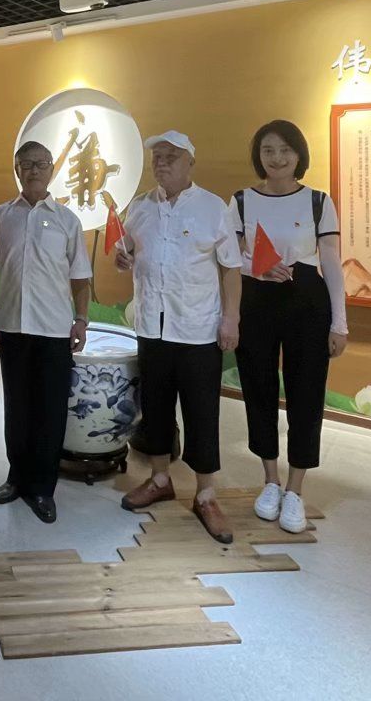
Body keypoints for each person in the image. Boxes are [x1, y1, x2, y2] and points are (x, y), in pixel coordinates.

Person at [114, 130, 242, 543]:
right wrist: (122, 257)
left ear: (190, 162)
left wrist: (231, 318)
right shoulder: (140, 207)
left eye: (170, 156)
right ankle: (159, 479)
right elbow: (126, 251)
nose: (161, 163)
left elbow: (231, 268)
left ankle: (206, 494)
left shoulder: (213, 208)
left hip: (197, 327)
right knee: (155, 407)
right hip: (152, 325)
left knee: (202, 411)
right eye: (157, 157)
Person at [228, 119, 349, 535]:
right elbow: (230, 257)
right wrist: (258, 269)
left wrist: (340, 322)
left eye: (285, 150)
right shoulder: (241, 200)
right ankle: (270, 480)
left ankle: (296, 488)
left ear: (299, 154)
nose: (276, 158)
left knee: (306, 393)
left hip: (307, 300)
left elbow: (331, 262)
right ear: (258, 156)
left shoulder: (318, 201)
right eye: (268, 150)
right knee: (258, 387)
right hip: (256, 300)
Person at [0, 140, 91, 523]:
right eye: (27, 164)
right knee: (17, 406)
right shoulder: (2, 215)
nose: (34, 170)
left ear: (52, 168)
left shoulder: (67, 220)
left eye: (41, 164)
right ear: (17, 169)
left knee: (49, 411)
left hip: (53, 328)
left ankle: (42, 488)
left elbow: (81, 278)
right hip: (12, 325)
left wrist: (81, 320)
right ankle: (16, 478)